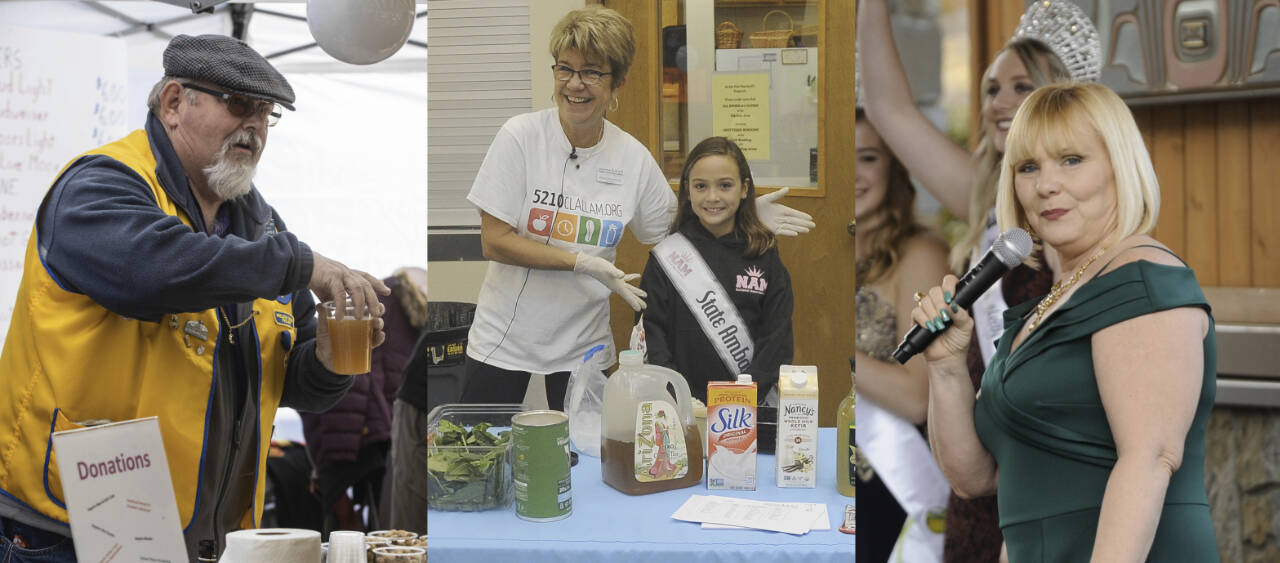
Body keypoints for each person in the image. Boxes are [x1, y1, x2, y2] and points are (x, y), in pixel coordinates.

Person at [0, 34, 389, 562]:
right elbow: (157, 269)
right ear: (174, 103)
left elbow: (294, 383)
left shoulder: (263, 227)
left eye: (266, 114)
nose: (253, 126)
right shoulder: (100, 184)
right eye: (237, 105)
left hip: (205, 532)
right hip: (74, 525)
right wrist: (300, 264)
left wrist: (328, 358)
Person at [914, 82, 1219, 562]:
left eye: (1071, 160)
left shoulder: (1140, 279)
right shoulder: (1050, 300)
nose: (1045, 184)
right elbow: (975, 478)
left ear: (1120, 165)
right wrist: (947, 364)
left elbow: (1150, 458)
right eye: (1028, 167)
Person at [460, 6, 812, 410]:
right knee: (480, 455)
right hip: (505, 336)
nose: (575, 84)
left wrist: (741, 214)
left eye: (592, 72)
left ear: (617, 84)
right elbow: (495, 241)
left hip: (583, 343)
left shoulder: (632, 158)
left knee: (585, 456)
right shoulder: (520, 137)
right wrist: (579, 261)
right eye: (565, 69)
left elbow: (676, 230)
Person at [857, 1, 1099, 558]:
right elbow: (891, 109)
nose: (1000, 103)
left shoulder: (1086, 219)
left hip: (1047, 483)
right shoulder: (986, 203)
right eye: (992, 89)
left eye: (1021, 87)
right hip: (976, 481)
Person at [852, 109, 951, 562]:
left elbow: (917, 396)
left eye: (868, 157)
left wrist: (834, 351)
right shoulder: (813, 249)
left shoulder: (921, 254)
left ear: (893, 167)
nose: (853, 173)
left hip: (887, 482)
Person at [638, 137, 793, 403]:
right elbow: (652, 337)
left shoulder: (765, 258)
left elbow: (776, 341)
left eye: (725, 185)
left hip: (748, 409)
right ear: (687, 190)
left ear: (744, 188)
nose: (713, 197)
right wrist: (679, 398)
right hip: (682, 408)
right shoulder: (666, 259)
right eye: (701, 186)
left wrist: (745, 398)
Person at [301, 267, 426, 532]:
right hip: (377, 435)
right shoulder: (393, 308)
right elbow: (354, 380)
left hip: (373, 435)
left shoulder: (390, 309)